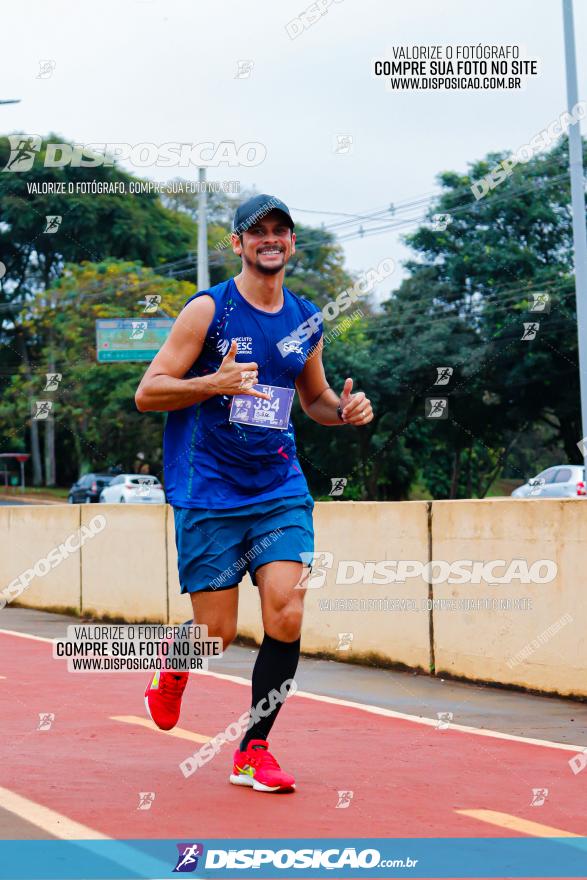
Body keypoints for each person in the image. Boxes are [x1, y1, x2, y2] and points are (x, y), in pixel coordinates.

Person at [135, 194, 373, 793]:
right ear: (238, 244)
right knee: (216, 633)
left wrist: (343, 411)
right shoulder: (207, 312)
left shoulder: (306, 320)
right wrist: (214, 381)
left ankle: (253, 749)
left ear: (291, 243)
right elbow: (149, 391)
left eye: (281, 231)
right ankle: (175, 665)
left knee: (287, 613)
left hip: (278, 487)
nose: (270, 239)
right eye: (257, 231)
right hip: (208, 489)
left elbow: (314, 400)